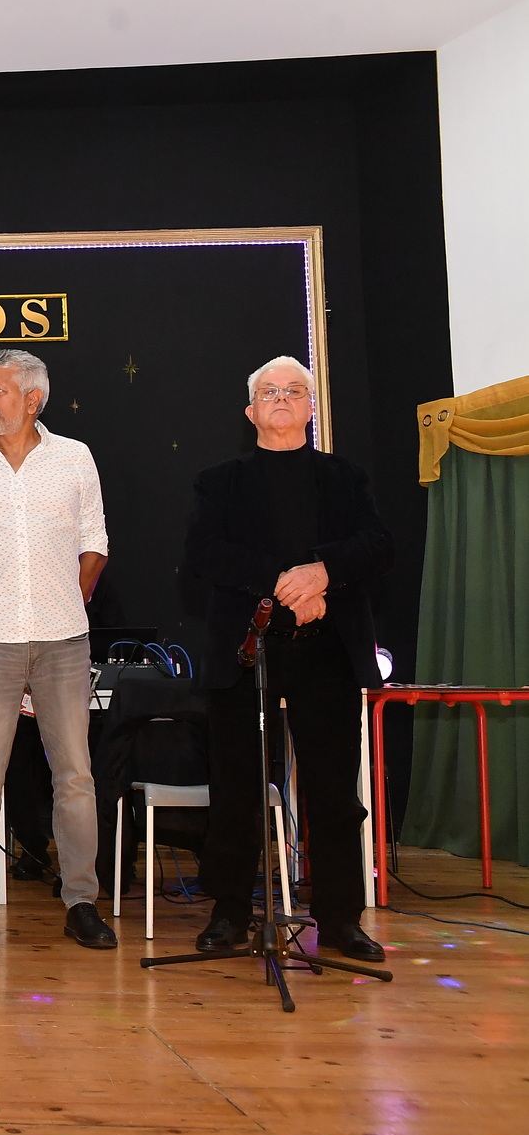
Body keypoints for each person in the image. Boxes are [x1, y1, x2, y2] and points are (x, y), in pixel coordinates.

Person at [184, 356, 394, 963]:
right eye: (269, 392)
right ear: (251, 412)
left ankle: (341, 919)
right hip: (245, 653)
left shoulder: (346, 478)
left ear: (310, 408)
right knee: (236, 788)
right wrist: (288, 584)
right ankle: (229, 912)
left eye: (294, 390)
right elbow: (204, 553)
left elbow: (379, 544)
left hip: (328, 653)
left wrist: (323, 572)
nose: (281, 398)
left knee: (334, 792)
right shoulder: (218, 482)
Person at [0, 349, 117, 952]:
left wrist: (71, 599)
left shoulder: (75, 457)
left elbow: (95, 541)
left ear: (33, 399)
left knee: (76, 776)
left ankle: (81, 902)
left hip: (63, 639)